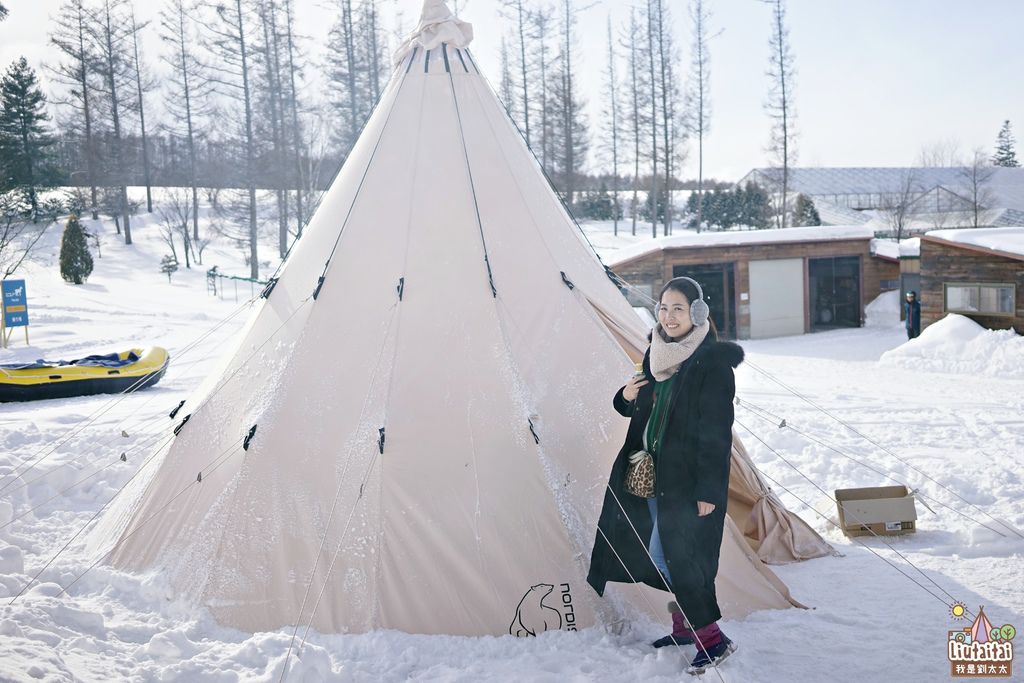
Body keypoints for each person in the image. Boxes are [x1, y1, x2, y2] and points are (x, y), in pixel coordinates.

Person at [587, 276, 743, 676]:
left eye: (679, 309)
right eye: (664, 308)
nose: (669, 316)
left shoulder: (713, 363)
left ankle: (712, 639)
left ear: (697, 313)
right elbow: (635, 411)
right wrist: (626, 396)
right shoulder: (656, 354)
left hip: (689, 483)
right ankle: (686, 626)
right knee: (665, 554)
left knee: (675, 556)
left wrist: (709, 490)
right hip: (651, 476)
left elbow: (716, 435)